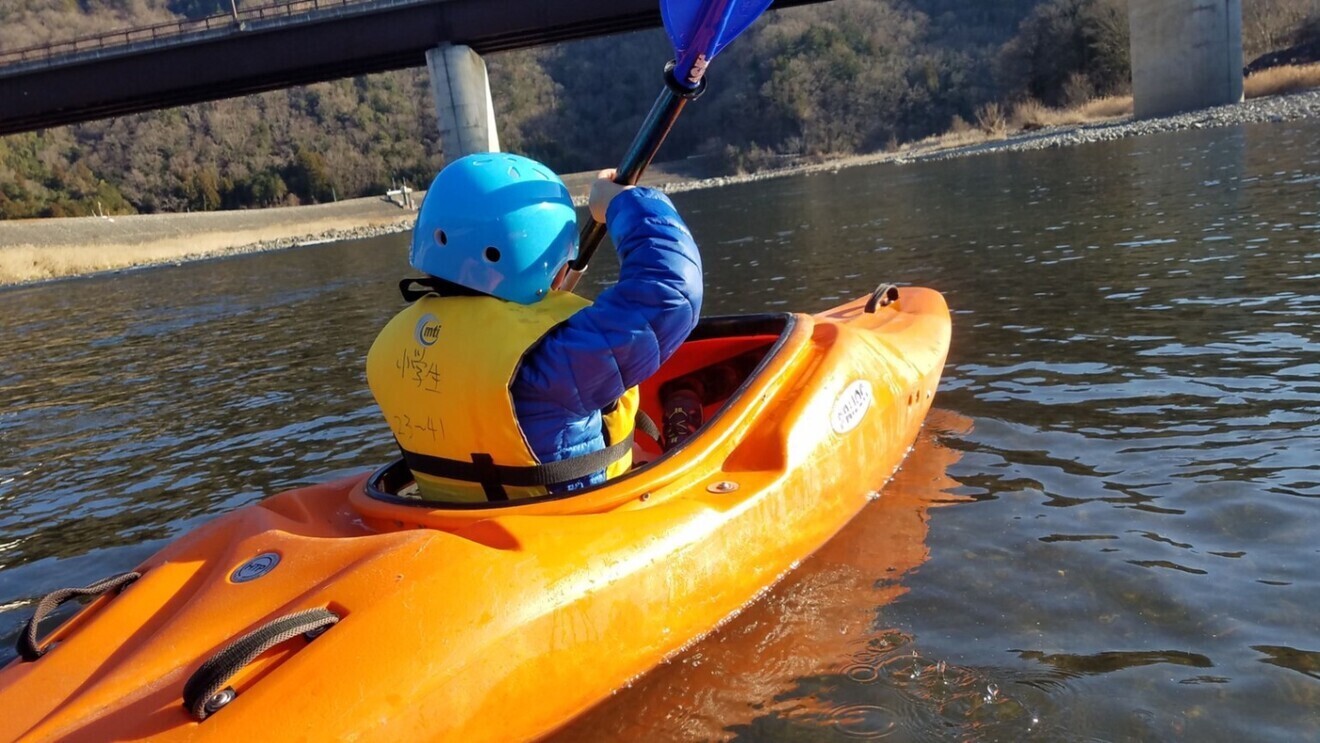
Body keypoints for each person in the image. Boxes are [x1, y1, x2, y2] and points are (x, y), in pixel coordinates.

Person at [366, 153, 702, 502]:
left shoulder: (387, 348)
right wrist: (621, 203)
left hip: (451, 518)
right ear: (544, 266)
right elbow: (673, 293)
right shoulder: (554, 359)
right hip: (567, 525)